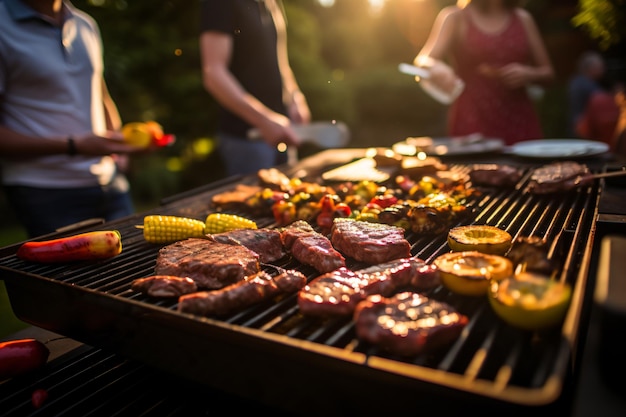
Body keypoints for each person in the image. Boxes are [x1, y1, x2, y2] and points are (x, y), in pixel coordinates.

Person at [0, 0, 145, 238]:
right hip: (45, 191)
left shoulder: (85, 23)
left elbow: (100, 94)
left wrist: (121, 149)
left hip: (110, 182)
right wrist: (73, 146)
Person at [411, 0, 555, 145]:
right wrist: (436, 66)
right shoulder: (456, 17)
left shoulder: (522, 18)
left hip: (519, 117)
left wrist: (528, 74)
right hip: (473, 117)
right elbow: (423, 60)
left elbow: (549, 74)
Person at [199, 0, 311, 177]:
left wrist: (296, 97)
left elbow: (280, 62)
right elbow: (213, 73)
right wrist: (264, 120)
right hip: (247, 140)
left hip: (284, 129)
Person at [568, 51, 606, 137]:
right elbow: (601, 100)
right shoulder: (586, 84)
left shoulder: (575, 81)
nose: (603, 70)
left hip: (577, 125)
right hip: (584, 127)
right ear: (591, 68)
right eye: (600, 67)